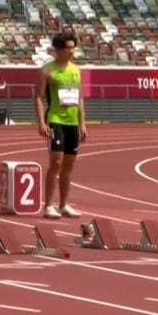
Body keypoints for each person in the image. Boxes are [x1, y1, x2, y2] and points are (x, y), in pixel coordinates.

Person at [35, 31, 87, 219]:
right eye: (68, 48)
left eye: (74, 47)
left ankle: (64, 204)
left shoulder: (76, 71)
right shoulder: (47, 70)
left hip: (72, 122)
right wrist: (41, 122)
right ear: (58, 50)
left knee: (69, 165)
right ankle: (48, 205)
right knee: (55, 162)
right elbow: (39, 97)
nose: (72, 51)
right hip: (56, 120)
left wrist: (83, 123)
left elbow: (80, 97)